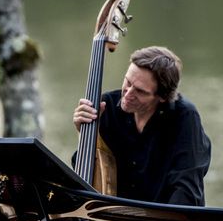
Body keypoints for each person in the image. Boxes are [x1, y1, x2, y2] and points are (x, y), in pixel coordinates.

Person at [72, 45, 210, 206]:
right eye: (128, 82)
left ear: (163, 97)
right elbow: (86, 177)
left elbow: (186, 189)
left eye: (140, 91)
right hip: (115, 218)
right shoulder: (106, 106)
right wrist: (85, 135)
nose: (128, 94)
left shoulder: (184, 116)